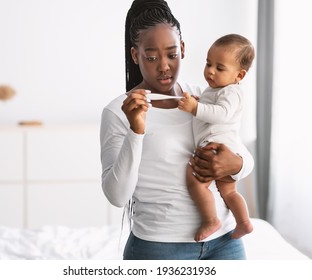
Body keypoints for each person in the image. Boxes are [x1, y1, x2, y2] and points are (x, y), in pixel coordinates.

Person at [100, 0, 254, 260]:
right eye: (151, 57)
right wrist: (136, 131)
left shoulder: (204, 97)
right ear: (135, 55)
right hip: (159, 248)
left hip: (226, 242)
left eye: (171, 54)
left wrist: (235, 164)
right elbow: (117, 196)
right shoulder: (119, 111)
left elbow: (243, 156)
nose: (163, 66)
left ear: (182, 49)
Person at [178, 34, 255, 241]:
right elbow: (210, 108)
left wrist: (196, 108)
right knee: (229, 193)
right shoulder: (213, 90)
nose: (210, 71)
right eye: (208, 63)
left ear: (239, 76)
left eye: (220, 68)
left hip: (216, 148)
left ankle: (210, 219)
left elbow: (220, 114)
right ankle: (244, 222)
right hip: (221, 147)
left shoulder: (231, 92)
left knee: (194, 180)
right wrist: (198, 101)